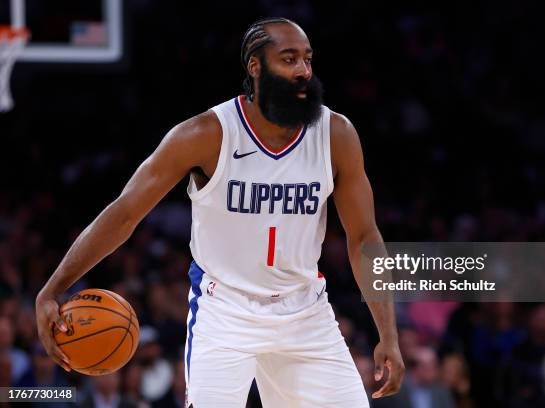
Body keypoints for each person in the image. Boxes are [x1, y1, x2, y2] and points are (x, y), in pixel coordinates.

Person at [35, 17, 404, 407]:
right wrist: (55, 287)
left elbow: (365, 238)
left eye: (308, 60)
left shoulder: (336, 134)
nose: (303, 72)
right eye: (289, 59)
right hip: (225, 312)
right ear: (255, 67)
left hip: (305, 311)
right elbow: (124, 213)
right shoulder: (204, 135)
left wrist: (389, 334)